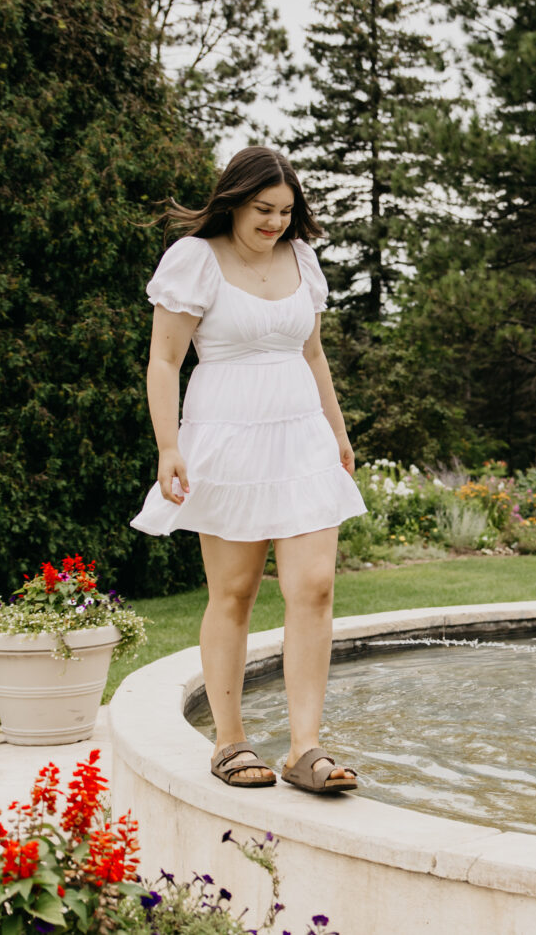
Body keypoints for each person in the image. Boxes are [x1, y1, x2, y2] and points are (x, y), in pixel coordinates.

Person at [131, 147, 367, 793]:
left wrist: (338, 433)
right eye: (264, 209)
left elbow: (313, 354)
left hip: (301, 439)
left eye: (286, 211)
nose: (275, 223)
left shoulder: (302, 259)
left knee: (314, 584)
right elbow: (163, 360)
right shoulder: (194, 260)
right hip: (228, 441)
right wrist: (168, 445)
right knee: (234, 591)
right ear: (233, 200)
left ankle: (305, 748)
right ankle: (229, 738)